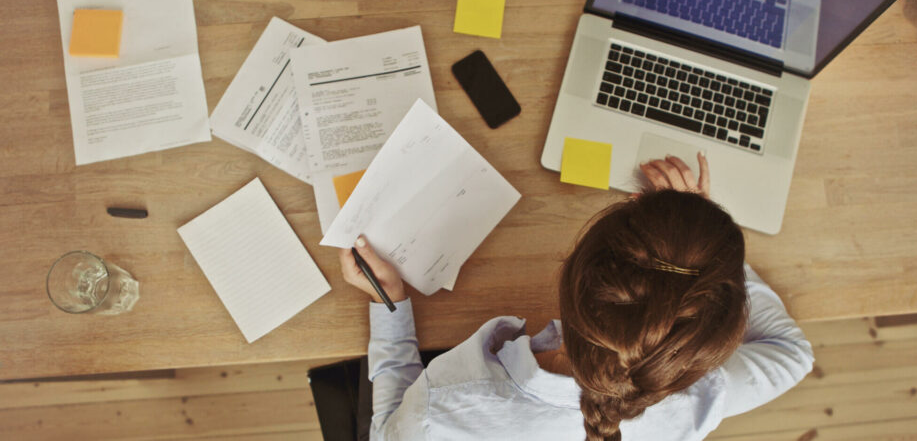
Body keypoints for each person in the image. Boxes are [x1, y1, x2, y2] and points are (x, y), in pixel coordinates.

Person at [339, 154, 814, 441]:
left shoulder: (445, 408)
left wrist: (391, 305)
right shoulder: (695, 401)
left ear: (570, 270)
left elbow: (386, 431)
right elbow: (791, 356)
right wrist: (711, 259)